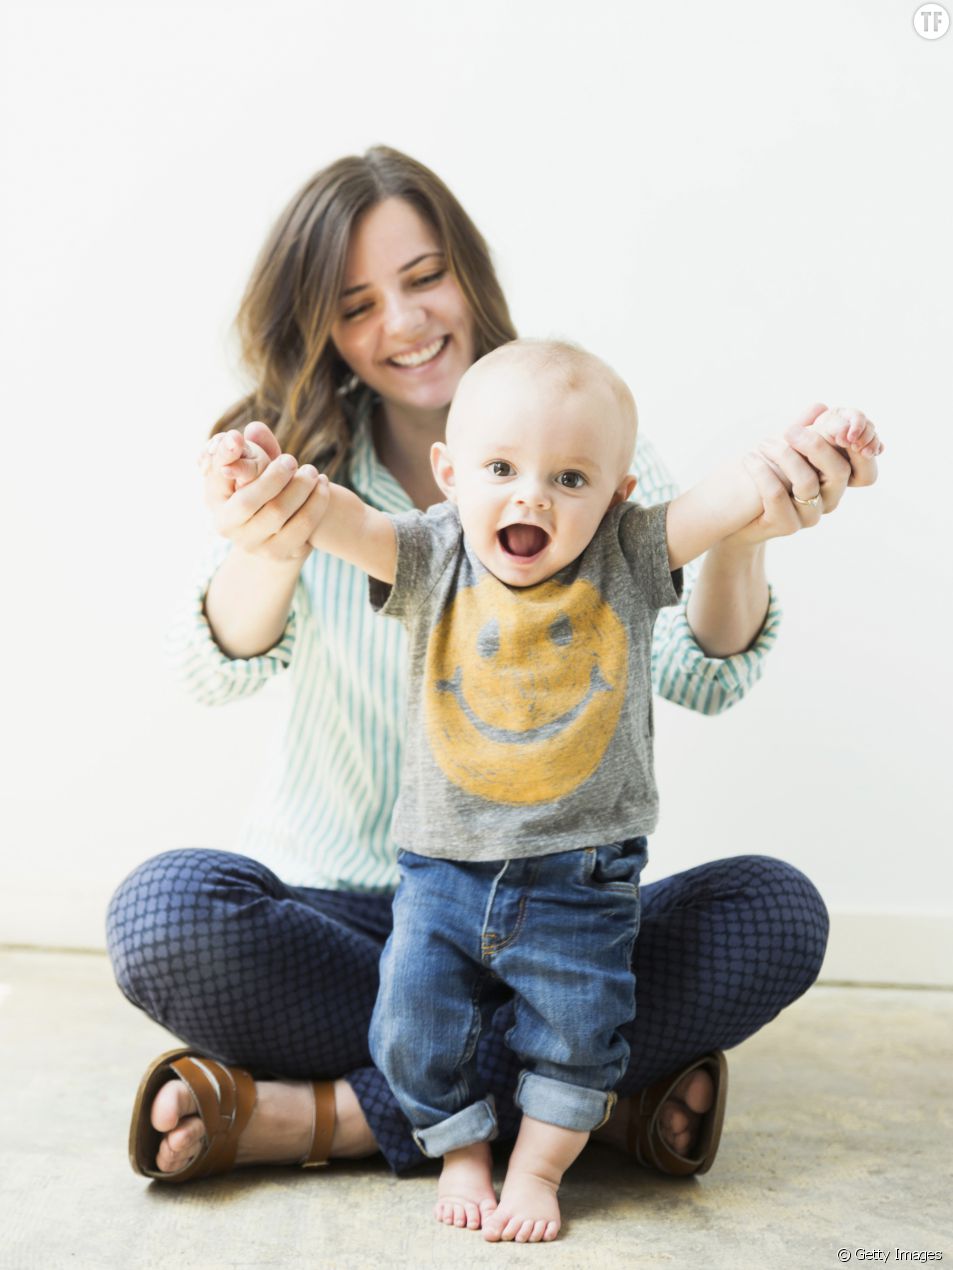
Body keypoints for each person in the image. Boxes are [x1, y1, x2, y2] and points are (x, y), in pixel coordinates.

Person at [107, 146, 881, 1200]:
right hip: (357, 915)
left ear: (467, 273)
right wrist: (271, 541)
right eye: (358, 303)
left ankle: (311, 1116)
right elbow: (215, 669)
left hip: (559, 903)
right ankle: (587, 1099)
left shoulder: (591, 448)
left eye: (423, 277)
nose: (405, 322)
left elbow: (700, 677)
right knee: (164, 912)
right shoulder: (315, 479)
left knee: (772, 910)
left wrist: (745, 532)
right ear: (322, 327)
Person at [203, 338, 880, 1242]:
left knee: (578, 1025)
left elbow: (732, 493)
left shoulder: (628, 553)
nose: (530, 496)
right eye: (499, 469)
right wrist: (261, 476)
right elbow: (329, 515)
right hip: (437, 877)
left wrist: (815, 446)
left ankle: (537, 1164)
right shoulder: (427, 554)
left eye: (569, 479)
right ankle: (461, 1147)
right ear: (448, 475)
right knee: (413, 1021)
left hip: (582, 881)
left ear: (617, 494)